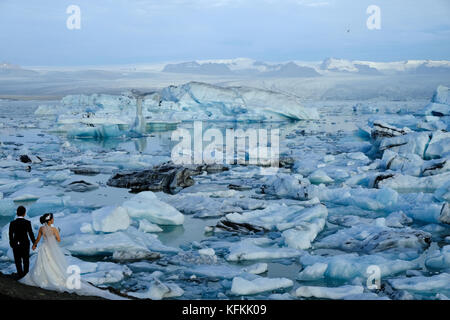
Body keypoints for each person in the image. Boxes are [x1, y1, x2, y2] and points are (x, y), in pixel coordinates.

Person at [20, 213, 124, 299]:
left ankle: (42, 277)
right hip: (52, 248)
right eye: (52, 219)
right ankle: (53, 277)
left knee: (43, 263)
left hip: (44, 248)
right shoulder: (55, 229)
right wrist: (58, 233)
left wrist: (34, 245)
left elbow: (38, 239)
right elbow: (58, 240)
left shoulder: (42, 228)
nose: (53, 220)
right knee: (53, 263)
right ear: (50, 220)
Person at [8, 206, 35, 280]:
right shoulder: (27, 222)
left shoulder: (12, 223)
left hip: (16, 243)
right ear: (24, 213)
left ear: (17, 213)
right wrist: (34, 243)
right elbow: (30, 233)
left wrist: (11, 242)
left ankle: (20, 274)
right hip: (25, 243)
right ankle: (25, 274)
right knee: (26, 259)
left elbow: (10, 234)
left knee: (17, 260)